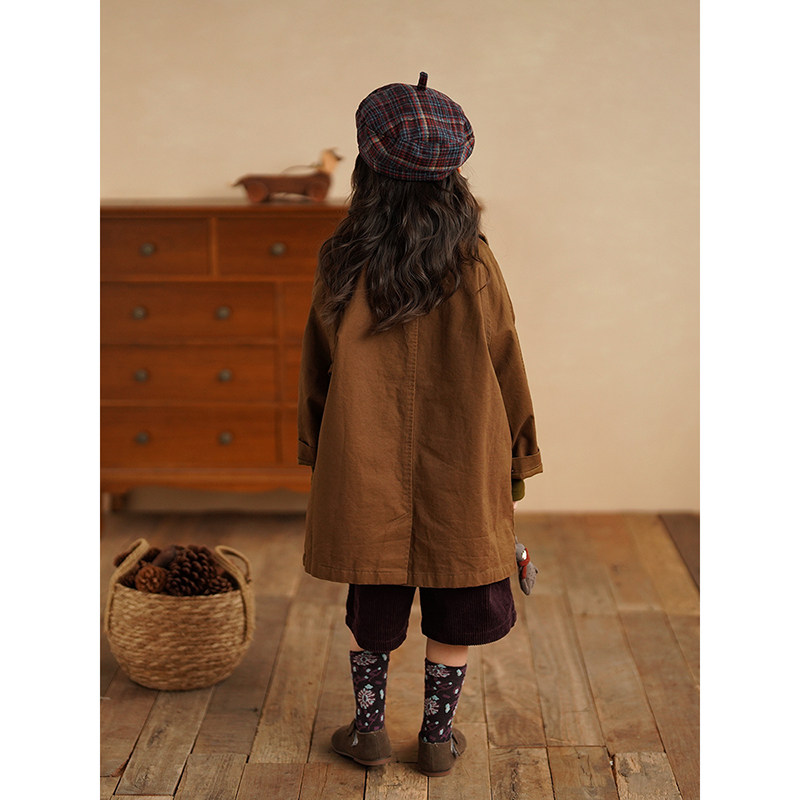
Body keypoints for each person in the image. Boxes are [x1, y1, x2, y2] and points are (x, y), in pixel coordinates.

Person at [297, 71, 543, 777]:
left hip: (362, 459)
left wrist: (318, 448)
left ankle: (368, 731)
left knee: (371, 595)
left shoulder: (343, 260)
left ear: (368, 169)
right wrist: (517, 457)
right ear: (453, 176)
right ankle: (437, 738)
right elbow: (506, 358)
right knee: (458, 597)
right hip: (464, 461)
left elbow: (316, 364)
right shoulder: (474, 260)